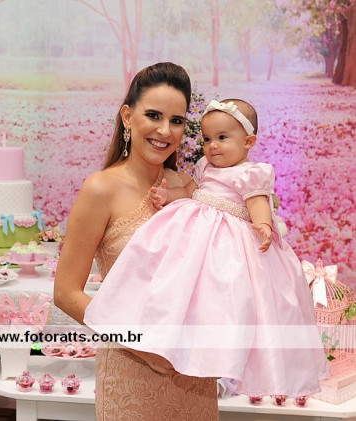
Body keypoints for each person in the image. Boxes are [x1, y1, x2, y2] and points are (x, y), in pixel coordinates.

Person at [84, 98, 329, 398]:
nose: (212, 146)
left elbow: (258, 204)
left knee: (225, 296)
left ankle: (215, 354)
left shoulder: (250, 173)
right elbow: (190, 191)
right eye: (208, 139)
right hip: (193, 232)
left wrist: (264, 225)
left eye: (222, 138)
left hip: (227, 241)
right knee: (177, 277)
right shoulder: (204, 167)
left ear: (248, 142)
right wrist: (169, 196)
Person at [54, 63, 219, 420]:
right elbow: (66, 293)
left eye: (177, 120)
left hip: (193, 375)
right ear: (127, 116)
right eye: (154, 116)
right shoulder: (101, 188)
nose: (165, 131)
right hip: (131, 372)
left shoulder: (188, 187)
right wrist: (141, 345)